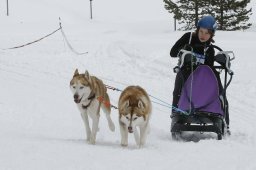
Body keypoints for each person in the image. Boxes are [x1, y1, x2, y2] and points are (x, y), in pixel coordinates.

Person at [170, 15, 219, 112]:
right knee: (179, 91)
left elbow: (209, 70)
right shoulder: (188, 37)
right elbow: (172, 53)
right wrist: (183, 49)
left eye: (206, 33)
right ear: (197, 30)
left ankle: (216, 116)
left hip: (200, 79)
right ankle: (176, 114)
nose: (203, 35)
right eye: (201, 31)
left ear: (211, 35)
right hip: (185, 73)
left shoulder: (209, 49)